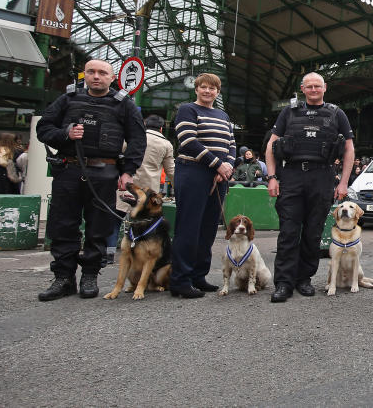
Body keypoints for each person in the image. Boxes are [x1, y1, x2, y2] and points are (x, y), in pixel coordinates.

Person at [35, 59, 146, 301]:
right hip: (69, 170)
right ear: (84, 75)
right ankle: (63, 278)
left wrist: (128, 171)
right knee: (63, 225)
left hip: (104, 173)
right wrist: (65, 133)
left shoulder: (124, 105)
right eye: (91, 72)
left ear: (112, 77)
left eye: (102, 73)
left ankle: (89, 276)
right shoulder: (67, 99)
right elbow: (43, 129)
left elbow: (138, 140)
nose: (96, 76)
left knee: (98, 227)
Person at [264, 72, 354, 303]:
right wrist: (272, 177)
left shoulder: (337, 114)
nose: (314, 90)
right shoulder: (289, 112)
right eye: (309, 86)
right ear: (302, 89)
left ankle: (304, 279)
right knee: (288, 232)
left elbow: (349, 149)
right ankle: (284, 282)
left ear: (325, 88)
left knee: (313, 232)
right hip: (292, 175)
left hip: (322, 176)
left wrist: (343, 182)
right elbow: (272, 145)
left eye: (318, 86)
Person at [170, 73, 236, 298]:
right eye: (203, 87)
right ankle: (180, 280)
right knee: (188, 227)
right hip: (192, 172)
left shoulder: (223, 115)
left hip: (218, 177)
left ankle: (199, 275)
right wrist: (218, 164)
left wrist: (226, 166)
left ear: (218, 92)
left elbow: (232, 144)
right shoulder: (187, 110)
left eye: (213, 88)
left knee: (208, 228)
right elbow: (188, 141)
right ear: (196, 89)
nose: (208, 91)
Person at [106, 114, 176, 265]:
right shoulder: (166, 144)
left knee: (115, 218)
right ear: (162, 128)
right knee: (146, 222)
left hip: (127, 183)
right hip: (148, 191)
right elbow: (171, 170)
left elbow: (118, 154)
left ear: (144, 124)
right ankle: (142, 252)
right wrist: (178, 188)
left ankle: (109, 253)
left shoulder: (133, 137)